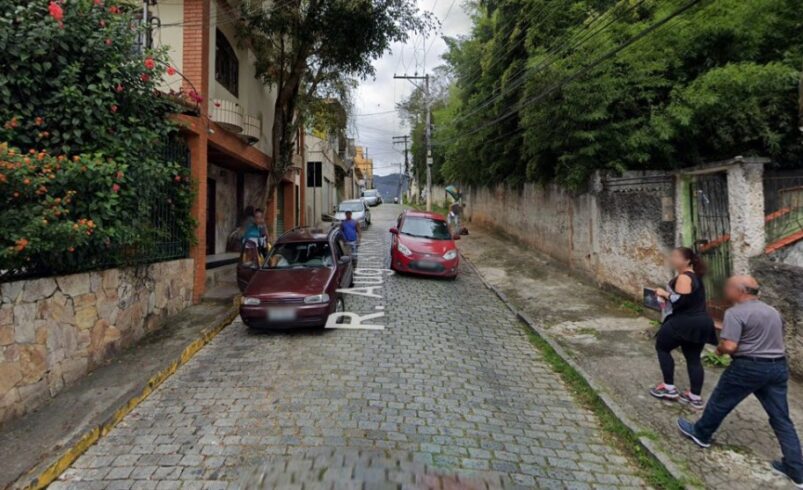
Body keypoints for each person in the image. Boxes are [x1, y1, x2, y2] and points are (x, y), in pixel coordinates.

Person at [677, 276, 803, 487]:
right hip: (777, 367)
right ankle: (796, 469)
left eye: (729, 287)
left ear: (740, 291)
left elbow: (731, 346)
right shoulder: (772, 311)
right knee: (781, 418)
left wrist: (718, 349)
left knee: (720, 401)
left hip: (748, 367)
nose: (726, 291)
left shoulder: (736, 313)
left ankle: (701, 433)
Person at [649, 247, 717, 409]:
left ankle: (669, 388)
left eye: (676, 256)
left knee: (662, 347)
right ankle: (694, 396)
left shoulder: (685, 277)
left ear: (687, 260)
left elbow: (680, 300)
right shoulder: (695, 277)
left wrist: (663, 294)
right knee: (693, 358)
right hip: (700, 322)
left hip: (685, 321)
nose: (672, 259)